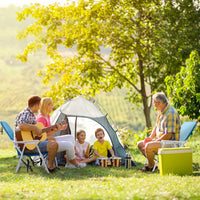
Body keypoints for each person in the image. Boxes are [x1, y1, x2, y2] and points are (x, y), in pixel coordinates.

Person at [14, 95, 61, 173]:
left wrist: (53, 129)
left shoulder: (30, 114)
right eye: (39, 105)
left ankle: (50, 164)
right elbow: (21, 125)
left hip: (32, 142)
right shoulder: (26, 114)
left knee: (52, 139)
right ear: (36, 105)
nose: (39, 108)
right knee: (53, 145)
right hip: (28, 146)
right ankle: (49, 166)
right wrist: (35, 128)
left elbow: (38, 132)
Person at [36, 97, 86, 169]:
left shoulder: (47, 116)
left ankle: (69, 163)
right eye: (51, 105)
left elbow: (49, 132)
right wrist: (56, 130)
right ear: (47, 105)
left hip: (50, 139)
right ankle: (75, 164)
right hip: (46, 143)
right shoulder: (41, 118)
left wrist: (59, 129)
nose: (52, 107)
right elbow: (42, 136)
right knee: (69, 145)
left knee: (71, 137)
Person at [137, 92, 181, 172]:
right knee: (140, 144)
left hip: (169, 143)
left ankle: (150, 167)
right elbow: (156, 126)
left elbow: (168, 135)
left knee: (148, 146)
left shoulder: (170, 113)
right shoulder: (161, 111)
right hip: (161, 141)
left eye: (154, 102)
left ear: (159, 103)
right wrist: (150, 138)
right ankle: (153, 164)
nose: (153, 104)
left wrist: (155, 141)